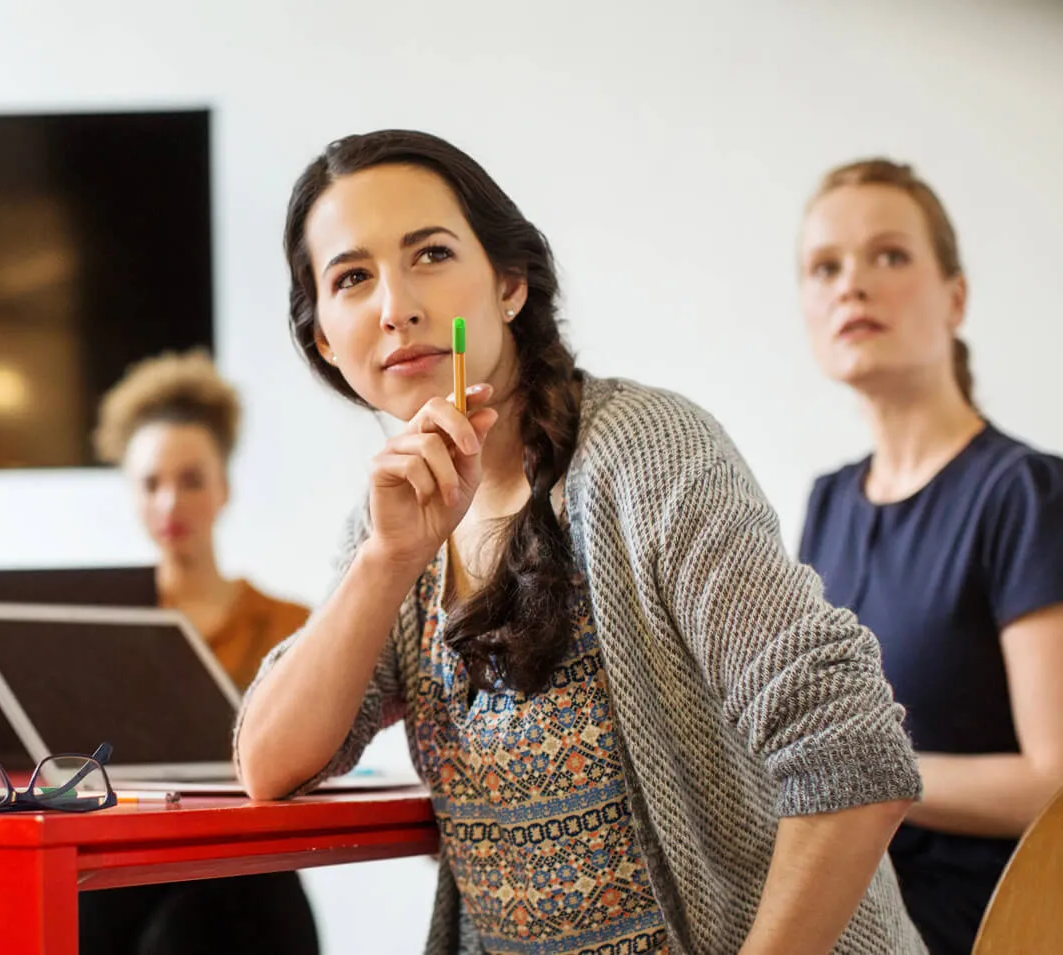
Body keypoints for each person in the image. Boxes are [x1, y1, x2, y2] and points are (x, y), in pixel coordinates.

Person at [234, 130, 927, 954]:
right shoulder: (392, 522)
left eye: (430, 254)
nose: (396, 306)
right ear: (324, 340)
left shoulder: (644, 451)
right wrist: (385, 560)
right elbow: (269, 763)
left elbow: (851, 744)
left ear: (509, 285)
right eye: (352, 278)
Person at [796, 159, 1063, 954]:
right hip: (850, 910)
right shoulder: (827, 503)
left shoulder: (1026, 494)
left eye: (890, 256)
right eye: (826, 267)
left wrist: (863, 774)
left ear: (956, 297)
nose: (852, 286)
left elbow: (1055, 781)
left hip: (986, 926)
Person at [77, 349, 319, 954]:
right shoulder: (91, 631)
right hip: (117, 874)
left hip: (246, 878)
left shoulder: (291, 626)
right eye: (150, 484)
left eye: (190, 480)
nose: (169, 504)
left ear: (224, 488)